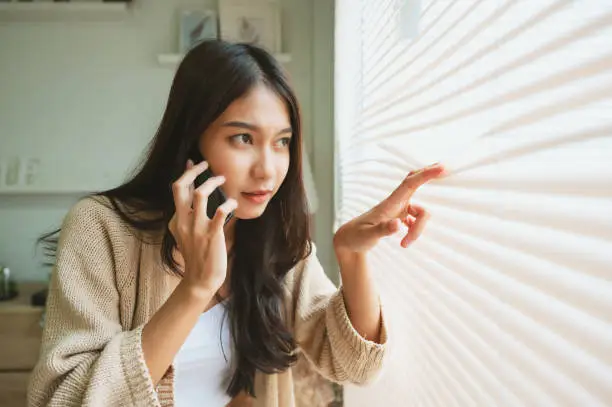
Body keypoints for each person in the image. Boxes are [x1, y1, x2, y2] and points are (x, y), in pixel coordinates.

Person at [26, 40, 446, 407]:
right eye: (242, 138)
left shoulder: (273, 238)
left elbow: (354, 366)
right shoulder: (101, 228)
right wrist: (195, 288)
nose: (268, 170)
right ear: (192, 138)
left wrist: (352, 256)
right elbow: (63, 399)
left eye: (282, 142)